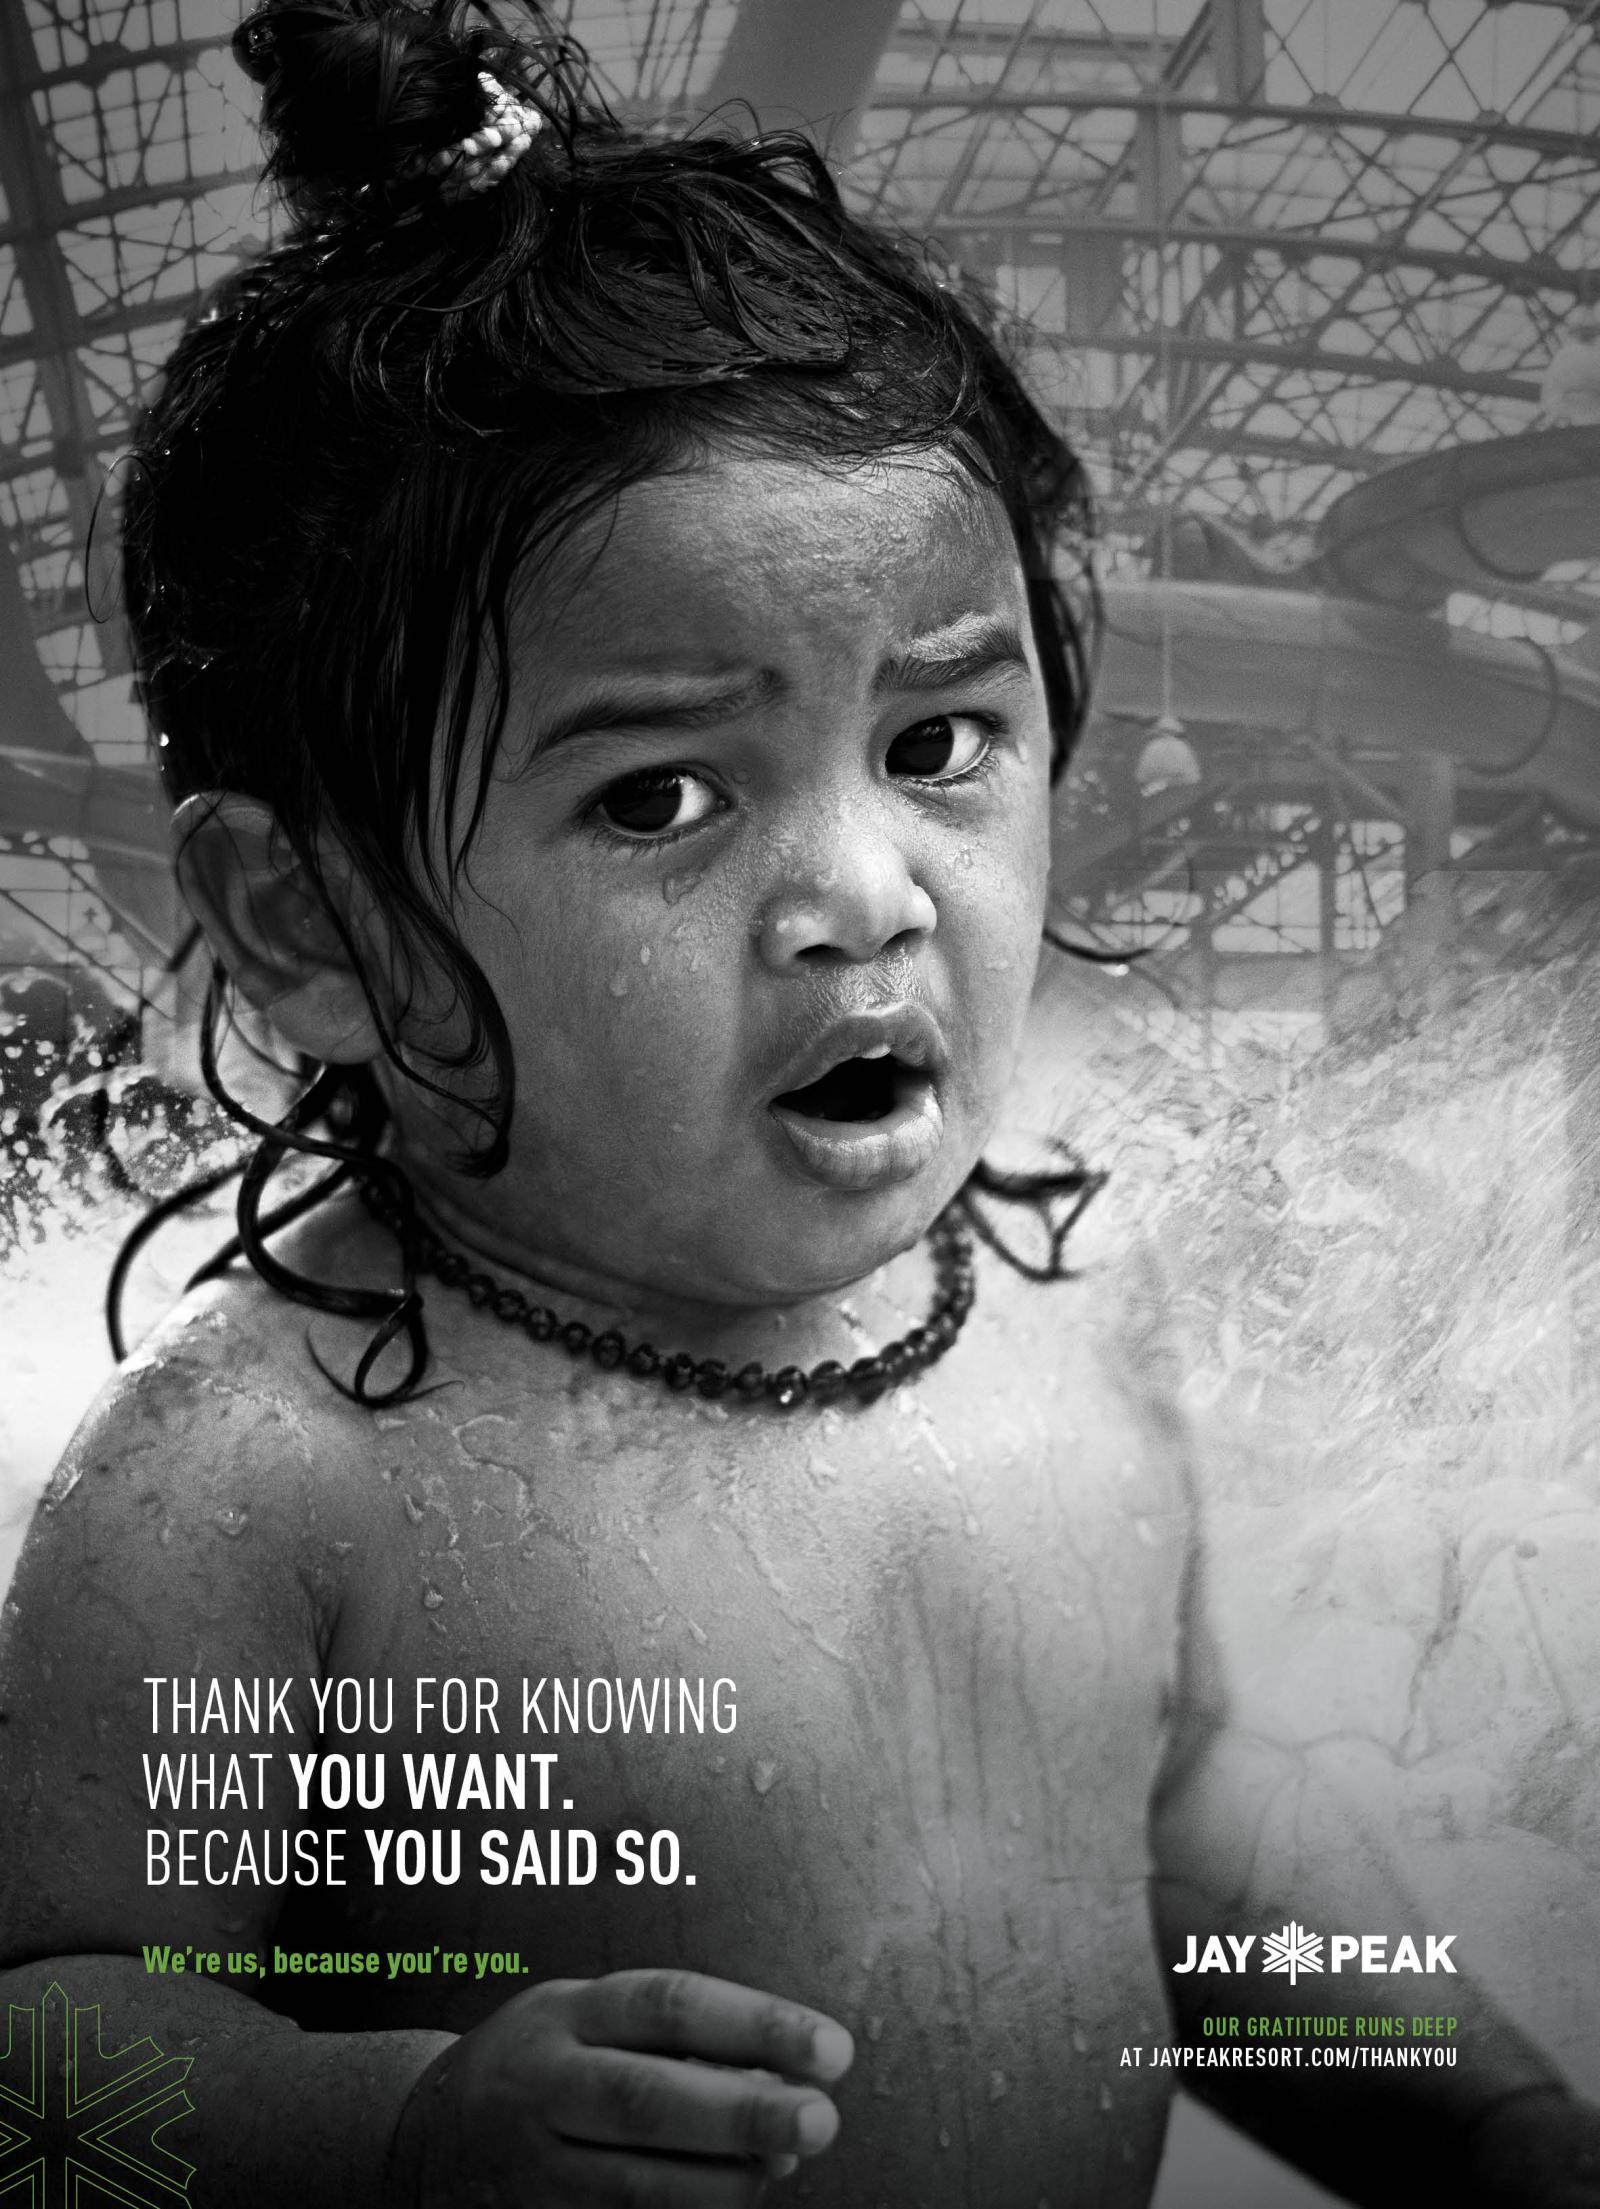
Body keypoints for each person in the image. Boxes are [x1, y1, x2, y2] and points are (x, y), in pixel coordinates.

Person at [1, 3, 1596, 2202]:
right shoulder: (257, 1487)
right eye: (660, 793)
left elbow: (1186, 1851)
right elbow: (41, 2057)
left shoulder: (1071, 1328)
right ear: (310, 923)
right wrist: (381, 2132)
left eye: (938, 745)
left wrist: (1507, 2137)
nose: (860, 895)